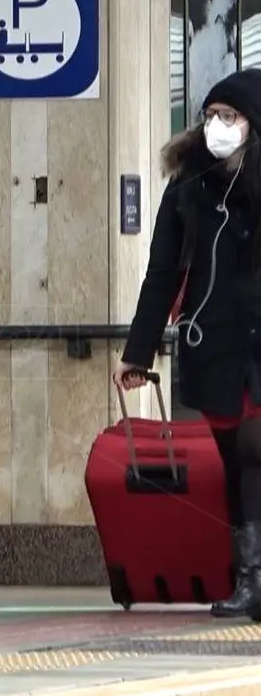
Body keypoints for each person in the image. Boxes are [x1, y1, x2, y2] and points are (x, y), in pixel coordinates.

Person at [114, 68, 261, 621]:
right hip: (213, 340)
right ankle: (248, 574)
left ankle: (253, 580)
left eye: (231, 117)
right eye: (212, 116)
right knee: (235, 459)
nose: (218, 126)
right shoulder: (188, 184)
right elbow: (162, 272)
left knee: (253, 453)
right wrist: (137, 349)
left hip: (258, 341)